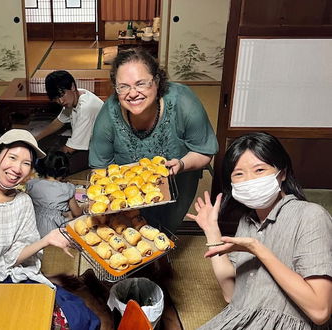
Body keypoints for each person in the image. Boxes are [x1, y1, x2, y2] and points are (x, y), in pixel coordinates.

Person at [0, 129, 100, 330]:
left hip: (8, 277)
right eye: (13, 157)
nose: (17, 168)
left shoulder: (23, 201)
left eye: (26, 163)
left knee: (79, 315)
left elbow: (11, 258)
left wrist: (46, 239)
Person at [187, 132, 332, 329]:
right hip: (239, 321)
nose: (249, 180)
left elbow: (320, 311)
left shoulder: (311, 216)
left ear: (282, 173)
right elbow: (232, 295)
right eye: (239, 174)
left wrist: (259, 250)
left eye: (259, 170)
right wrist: (212, 231)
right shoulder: (246, 222)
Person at [89, 48, 218, 233]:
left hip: (179, 179)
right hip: (127, 188)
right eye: (123, 86)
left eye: (141, 83)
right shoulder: (109, 115)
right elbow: (99, 169)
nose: (132, 93)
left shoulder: (184, 103)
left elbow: (204, 151)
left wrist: (181, 164)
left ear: (157, 81)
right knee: (132, 231)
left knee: (168, 226)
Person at [36, 70, 104, 175]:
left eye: (62, 95)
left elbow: (70, 149)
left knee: (55, 167)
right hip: (85, 142)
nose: (60, 101)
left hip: (99, 151)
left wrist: (49, 158)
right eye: (56, 98)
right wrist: (36, 138)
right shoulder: (76, 95)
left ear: (72, 87)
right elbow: (59, 121)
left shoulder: (86, 107)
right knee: (48, 145)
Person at [27, 151, 83, 237]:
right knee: (73, 217)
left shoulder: (32, 184)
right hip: (55, 230)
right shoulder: (66, 188)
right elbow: (77, 213)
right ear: (64, 170)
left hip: (34, 227)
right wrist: (83, 208)